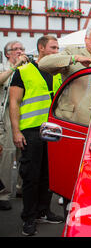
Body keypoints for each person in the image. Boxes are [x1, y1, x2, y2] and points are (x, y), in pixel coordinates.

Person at [9, 35, 64, 236]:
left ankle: (44, 211)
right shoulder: (23, 72)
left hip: (53, 132)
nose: (56, 51)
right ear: (41, 48)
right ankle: (29, 218)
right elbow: (14, 103)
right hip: (31, 131)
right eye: (53, 47)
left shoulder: (57, 72)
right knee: (31, 177)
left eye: (58, 47)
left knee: (49, 176)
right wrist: (16, 131)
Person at [39, 24, 91, 126]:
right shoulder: (73, 52)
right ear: (86, 39)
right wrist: (75, 58)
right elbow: (43, 63)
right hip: (70, 121)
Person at [0, 41, 28, 210]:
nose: (19, 51)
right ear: (7, 54)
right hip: (6, 117)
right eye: (15, 49)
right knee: (8, 154)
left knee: (24, 153)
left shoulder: (26, 69)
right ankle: (3, 194)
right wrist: (15, 65)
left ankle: (20, 187)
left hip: (24, 115)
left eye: (21, 49)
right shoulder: (4, 67)